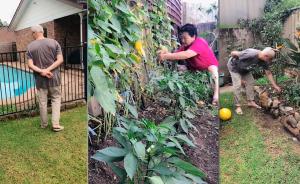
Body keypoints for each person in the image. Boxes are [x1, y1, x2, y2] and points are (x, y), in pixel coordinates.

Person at [158, 24, 219, 105]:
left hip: (207, 68)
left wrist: (166, 56)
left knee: (214, 71)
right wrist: (164, 53)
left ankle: (216, 96)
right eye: (181, 38)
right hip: (194, 68)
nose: (182, 40)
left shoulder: (200, 42)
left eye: (185, 38)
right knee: (180, 68)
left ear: (193, 36)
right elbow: (175, 55)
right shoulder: (185, 46)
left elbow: (187, 54)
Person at [27, 25, 64, 132]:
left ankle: (44, 124)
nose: (32, 35)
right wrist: (48, 69)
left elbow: (30, 65)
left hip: (40, 80)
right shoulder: (54, 42)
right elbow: (60, 60)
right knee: (56, 99)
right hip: (54, 78)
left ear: (35, 32)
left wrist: (42, 71)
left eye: (32, 33)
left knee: (42, 102)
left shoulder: (30, 46)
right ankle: (55, 124)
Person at [227, 47, 281, 115]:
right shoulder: (251, 54)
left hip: (244, 69)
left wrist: (275, 86)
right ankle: (238, 106)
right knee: (237, 85)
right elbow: (233, 53)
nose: (269, 61)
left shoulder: (263, 60)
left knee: (251, 81)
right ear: (266, 56)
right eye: (270, 59)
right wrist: (240, 79)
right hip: (234, 67)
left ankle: (250, 102)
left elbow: (268, 73)